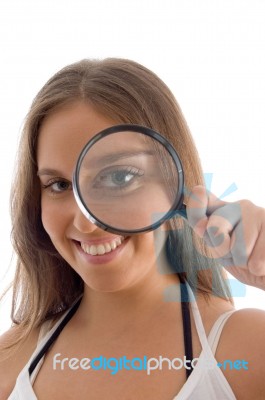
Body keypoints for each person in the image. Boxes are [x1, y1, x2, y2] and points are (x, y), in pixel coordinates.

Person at [0, 58, 264, 400]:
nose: (86, 221)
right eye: (59, 185)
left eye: (119, 177)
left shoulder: (247, 350)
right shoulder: (10, 363)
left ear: (174, 183)